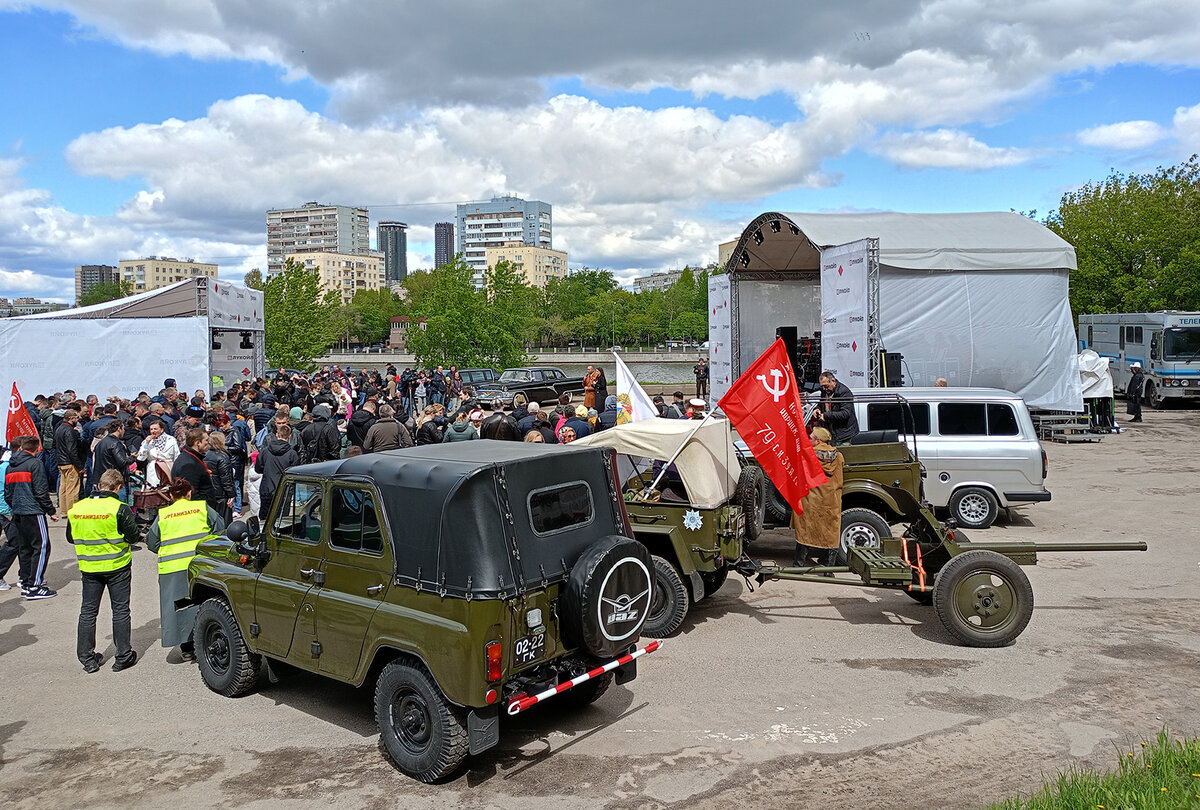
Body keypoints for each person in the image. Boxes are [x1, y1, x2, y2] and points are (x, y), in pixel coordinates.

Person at [146, 477, 225, 662]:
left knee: (180, 607)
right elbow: (220, 528)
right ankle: (207, 641)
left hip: (172, 568)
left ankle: (187, 648)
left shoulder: (163, 515)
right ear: (190, 493)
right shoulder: (202, 509)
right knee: (203, 602)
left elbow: (152, 542)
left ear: (171, 496)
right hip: (199, 565)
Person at [67, 468, 138, 673]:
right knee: (121, 610)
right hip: (117, 565)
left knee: (88, 612)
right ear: (117, 488)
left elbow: (71, 537)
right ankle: (123, 655)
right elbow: (132, 536)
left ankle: (87, 658)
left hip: (89, 567)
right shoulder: (119, 508)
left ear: (99, 485)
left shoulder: (78, 508)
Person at [4, 435, 59, 599]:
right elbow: (41, 492)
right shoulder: (35, 464)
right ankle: (34, 585)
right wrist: (50, 511)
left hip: (18, 512)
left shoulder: (10, 466)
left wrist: (14, 506)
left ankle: (26, 581)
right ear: (37, 448)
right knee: (41, 547)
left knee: (25, 548)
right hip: (33, 511)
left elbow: (8, 493)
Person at [790, 426, 844, 568]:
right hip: (831, 501)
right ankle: (828, 568)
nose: (809, 439)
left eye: (811, 437)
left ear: (818, 441)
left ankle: (799, 564)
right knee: (831, 532)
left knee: (806, 530)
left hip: (811, 500)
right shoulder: (838, 456)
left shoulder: (807, 456)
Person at [255, 423, 301, 521]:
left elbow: (258, 469)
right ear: (289, 436)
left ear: (277, 434)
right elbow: (295, 475)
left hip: (267, 489)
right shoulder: (292, 454)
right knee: (282, 520)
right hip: (284, 490)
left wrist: (268, 469)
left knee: (265, 519)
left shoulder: (265, 451)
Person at [54, 408, 87, 517]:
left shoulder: (59, 428)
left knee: (63, 488)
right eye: (76, 417)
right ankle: (72, 512)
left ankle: (64, 511)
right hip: (70, 463)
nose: (78, 419)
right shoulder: (70, 431)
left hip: (61, 462)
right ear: (71, 418)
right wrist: (79, 465)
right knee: (72, 489)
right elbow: (72, 450)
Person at [814, 371, 860, 444]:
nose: (824, 389)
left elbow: (846, 413)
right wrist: (817, 409)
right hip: (830, 431)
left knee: (842, 454)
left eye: (826, 386)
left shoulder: (844, 392)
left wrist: (826, 415)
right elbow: (821, 403)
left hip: (843, 434)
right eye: (822, 386)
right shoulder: (824, 391)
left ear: (833, 381)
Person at [137, 418, 180, 487]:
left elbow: (177, 457)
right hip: (153, 471)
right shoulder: (147, 441)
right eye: (151, 429)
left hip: (167, 468)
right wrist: (146, 444)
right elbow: (140, 458)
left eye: (155, 429)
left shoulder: (171, 440)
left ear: (162, 429)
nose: (153, 431)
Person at [204, 431, 235, 525]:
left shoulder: (205, 455)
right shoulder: (222, 457)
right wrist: (231, 494)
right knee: (224, 521)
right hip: (221, 494)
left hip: (210, 492)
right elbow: (226, 478)